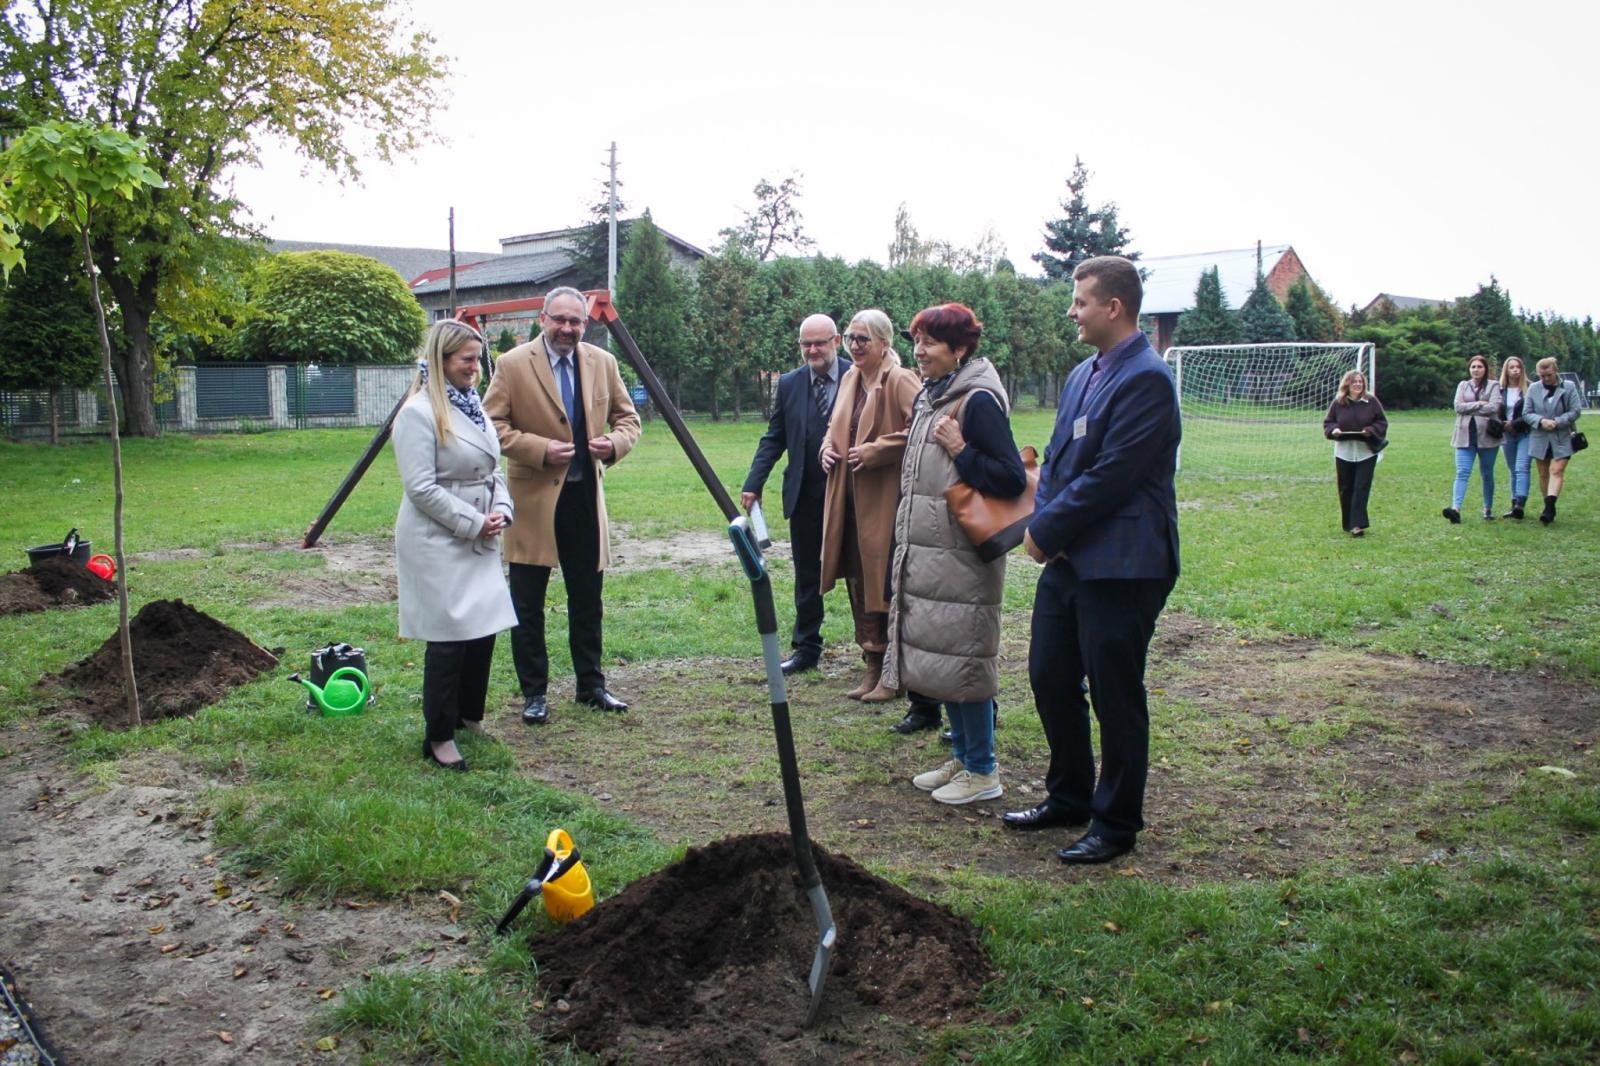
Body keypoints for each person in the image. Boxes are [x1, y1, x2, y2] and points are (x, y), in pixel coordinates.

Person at [1008, 255, 1180, 865]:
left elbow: (1113, 477)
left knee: (1115, 694)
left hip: (1126, 563)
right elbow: (1056, 459)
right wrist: (1043, 525)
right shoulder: (1085, 373)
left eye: (1081, 301)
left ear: (1113, 306)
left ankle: (1115, 822)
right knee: (1049, 674)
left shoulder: (1148, 379)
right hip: (1071, 558)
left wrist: (1045, 530)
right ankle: (1070, 796)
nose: (1073, 312)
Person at [884, 303, 1026, 805]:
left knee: (966, 659)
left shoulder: (978, 401)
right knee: (946, 660)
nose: (918, 351)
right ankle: (964, 757)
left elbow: (1009, 478)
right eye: (916, 340)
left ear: (960, 349)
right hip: (934, 552)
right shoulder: (936, 394)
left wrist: (963, 450)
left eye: (929, 342)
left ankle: (983, 770)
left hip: (963, 556)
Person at [483, 286, 641, 723]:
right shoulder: (513, 365)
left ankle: (591, 686)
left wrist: (613, 444)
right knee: (527, 604)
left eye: (576, 322)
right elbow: (490, 424)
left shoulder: (603, 362)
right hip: (532, 502)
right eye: (560, 320)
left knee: (588, 600)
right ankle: (534, 693)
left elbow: (629, 419)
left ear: (585, 324)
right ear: (543, 318)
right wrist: (537, 449)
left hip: (585, 500)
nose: (568, 329)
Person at [392, 320, 519, 772]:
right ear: (441, 361)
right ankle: (439, 736)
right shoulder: (417, 414)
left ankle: (469, 716)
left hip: (481, 531)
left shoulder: (473, 406)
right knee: (448, 639)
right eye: (466, 360)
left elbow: (494, 469)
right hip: (438, 539)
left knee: (482, 630)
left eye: (477, 360)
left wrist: (502, 508)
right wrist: (473, 522)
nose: (475, 368)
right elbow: (421, 488)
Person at [817, 310, 936, 729]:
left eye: (863, 339)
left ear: (885, 343)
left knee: (881, 577)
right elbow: (836, 428)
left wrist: (875, 450)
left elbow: (920, 428)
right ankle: (870, 660)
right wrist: (826, 450)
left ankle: (891, 669)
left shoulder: (900, 379)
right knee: (854, 573)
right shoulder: (851, 378)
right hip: (847, 494)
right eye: (850, 337)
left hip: (883, 496)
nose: (855, 346)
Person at [742, 314, 852, 675]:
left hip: (851, 495)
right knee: (807, 575)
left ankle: (874, 649)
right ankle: (806, 648)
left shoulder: (858, 376)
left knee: (860, 575)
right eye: (806, 344)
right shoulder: (790, 383)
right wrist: (754, 482)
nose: (812, 350)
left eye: (819, 343)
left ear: (836, 341)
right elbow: (775, 436)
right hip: (804, 494)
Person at [1322, 369, 1387, 536]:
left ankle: (1357, 525)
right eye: (1354, 382)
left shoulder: (1371, 401)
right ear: (1347, 384)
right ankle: (1348, 522)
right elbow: (1328, 423)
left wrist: (1370, 430)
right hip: (1344, 452)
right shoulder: (1338, 403)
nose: (1358, 384)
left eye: (1360, 381)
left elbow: (1382, 422)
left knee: (1361, 486)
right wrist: (1334, 430)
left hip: (1366, 452)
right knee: (1345, 487)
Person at [1523, 356, 1583, 525]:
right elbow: (1526, 413)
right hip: (1540, 436)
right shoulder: (1533, 389)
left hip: (1562, 435)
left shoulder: (1569, 387)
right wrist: (1541, 421)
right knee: (1543, 473)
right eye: (1542, 376)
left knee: (1556, 470)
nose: (1546, 379)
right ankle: (1548, 504)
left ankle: (1549, 508)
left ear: (1555, 371)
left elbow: (1576, 410)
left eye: (1548, 375)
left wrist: (1558, 421)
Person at [1442, 355, 1502, 523]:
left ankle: (1487, 508)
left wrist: (1471, 407)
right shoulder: (1463, 385)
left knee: (1487, 473)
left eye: (1479, 367)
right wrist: (1479, 404)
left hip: (1487, 437)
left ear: (1485, 369)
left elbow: (1494, 407)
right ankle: (1456, 508)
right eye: (1473, 367)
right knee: (1462, 472)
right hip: (1464, 436)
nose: (1476, 370)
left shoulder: (1493, 385)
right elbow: (1458, 407)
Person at [1497, 356, 1533, 519]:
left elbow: (1532, 412)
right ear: (1506, 370)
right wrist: (1502, 424)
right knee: (1513, 469)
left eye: (1518, 367)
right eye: (1511, 367)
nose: (1515, 370)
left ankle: (1520, 502)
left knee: (1522, 467)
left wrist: (1514, 423)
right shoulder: (1500, 390)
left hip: (1525, 432)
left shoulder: (1530, 388)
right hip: (1507, 434)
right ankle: (1514, 503)